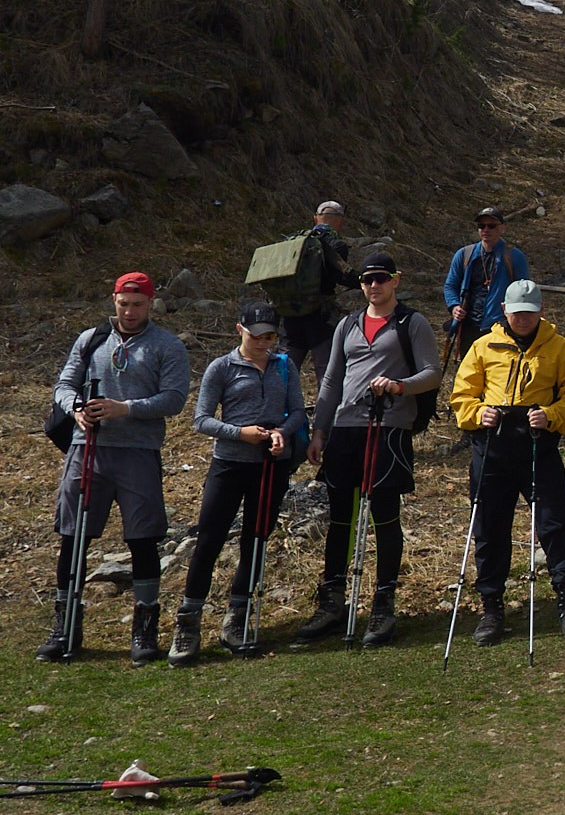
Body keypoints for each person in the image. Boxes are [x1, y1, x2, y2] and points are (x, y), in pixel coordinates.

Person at [37, 272, 192, 664]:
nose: (130, 311)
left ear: (151, 304)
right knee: (73, 536)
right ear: (114, 301)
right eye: (124, 304)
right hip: (86, 448)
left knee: (142, 538)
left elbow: (173, 399)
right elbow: (64, 385)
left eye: (138, 304)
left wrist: (125, 409)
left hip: (137, 452)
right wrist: (74, 409)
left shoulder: (167, 346)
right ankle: (65, 625)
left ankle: (144, 627)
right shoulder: (90, 340)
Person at [294, 253, 441, 647]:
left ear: (396, 280)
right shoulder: (348, 324)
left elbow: (432, 373)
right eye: (365, 280)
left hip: (388, 429)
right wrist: (319, 431)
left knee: (385, 518)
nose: (373, 286)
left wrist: (398, 386)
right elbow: (331, 380)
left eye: (380, 278)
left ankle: (383, 604)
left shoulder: (412, 322)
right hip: (345, 428)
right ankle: (332, 601)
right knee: (340, 516)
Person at [449, 280, 565, 644]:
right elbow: (461, 397)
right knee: (489, 529)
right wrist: (478, 413)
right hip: (491, 451)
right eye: (517, 312)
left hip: (537, 449)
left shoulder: (561, 350)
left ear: (541, 311)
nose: (523, 318)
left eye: (529, 312)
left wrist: (551, 415)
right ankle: (491, 606)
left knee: (555, 524)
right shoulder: (482, 347)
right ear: (505, 312)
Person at [168, 301, 308, 666]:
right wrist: (240, 434)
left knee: (256, 539)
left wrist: (281, 433)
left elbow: (296, 411)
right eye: (256, 335)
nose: (263, 342)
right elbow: (201, 419)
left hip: (270, 465)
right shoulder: (222, 367)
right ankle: (188, 621)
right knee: (209, 539)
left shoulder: (284, 365)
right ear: (239, 330)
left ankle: (238, 616)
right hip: (229, 463)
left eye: (270, 336)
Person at [279, 200, 354, 392]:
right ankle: (324, 417)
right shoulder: (336, 244)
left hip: (290, 313)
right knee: (325, 370)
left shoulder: (295, 241)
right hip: (319, 316)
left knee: (285, 369)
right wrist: (366, 281)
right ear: (341, 221)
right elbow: (340, 276)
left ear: (315, 219)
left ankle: (276, 412)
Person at [443, 207, 531, 365]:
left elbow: (524, 292)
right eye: (481, 226)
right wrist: (454, 306)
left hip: (500, 326)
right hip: (468, 325)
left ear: (503, 228)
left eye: (491, 225)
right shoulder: (464, 255)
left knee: (496, 370)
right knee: (469, 369)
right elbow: (451, 285)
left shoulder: (514, 257)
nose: (486, 229)